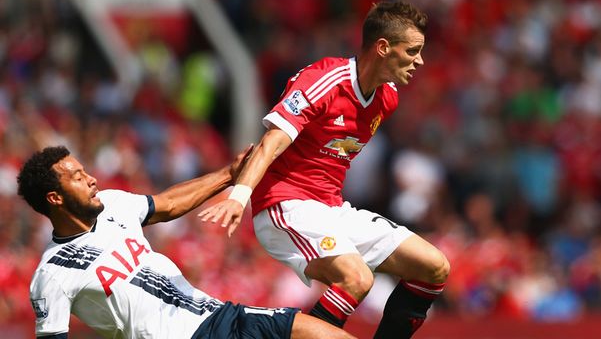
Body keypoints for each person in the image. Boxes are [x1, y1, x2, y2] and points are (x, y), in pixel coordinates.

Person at [199, 1, 450, 338]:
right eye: (413, 51)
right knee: (357, 278)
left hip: (329, 208)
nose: (419, 61)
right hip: (283, 205)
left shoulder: (386, 99)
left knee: (434, 267)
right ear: (383, 47)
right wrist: (239, 195)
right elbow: (271, 142)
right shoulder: (324, 81)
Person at [17, 145, 355, 339]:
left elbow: (167, 204)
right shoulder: (52, 275)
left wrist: (228, 175)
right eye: (77, 178)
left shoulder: (113, 204)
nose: (91, 179)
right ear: (55, 198)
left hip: (220, 314)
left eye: (85, 171)